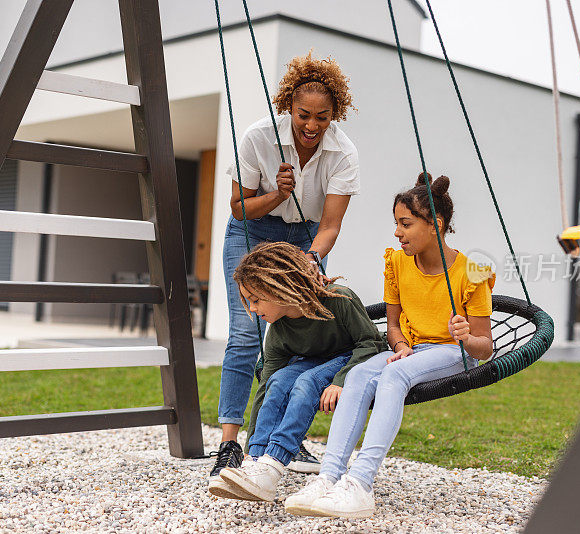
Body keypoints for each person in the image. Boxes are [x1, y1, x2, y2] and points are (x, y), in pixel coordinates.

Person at [285, 173, 496, 518]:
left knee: (393, 377)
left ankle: (360, 485)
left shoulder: (471, 272)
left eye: (405, 223)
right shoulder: (397, 263)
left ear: (435, 225)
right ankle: (328, 478)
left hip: (453, 352)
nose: (397, 232)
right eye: (396, 223)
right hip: (410, 351)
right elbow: (394, 323)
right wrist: (398, 344)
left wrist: (465, 335)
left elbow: (484, 348)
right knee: (356, 376)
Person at [211, 52, 360, 482]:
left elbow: (330, 225)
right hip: (253, 232)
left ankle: (283, 441)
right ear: (288, 108)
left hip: (306, 241)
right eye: (302, 116)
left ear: (335, 113)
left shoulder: (344, 153)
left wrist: (310, 261)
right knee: (246, 334)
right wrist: (277, 194)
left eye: (322, 117)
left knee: (301, 336)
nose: (312, 126)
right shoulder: (259, 137)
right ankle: (229, 444)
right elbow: (239, 209)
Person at [209, 242, 386, 500]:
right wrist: (249, 450)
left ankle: (272, 467)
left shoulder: (339, 299)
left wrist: (340, 381)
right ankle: (254, 464)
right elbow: (265, 388)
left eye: (256, 300)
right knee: (279, 381)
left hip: (350, 359)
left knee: (306, 382)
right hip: (315, 362)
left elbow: (371, 343)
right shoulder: (278, 329)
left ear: (279, 290)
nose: (253, 309)